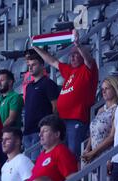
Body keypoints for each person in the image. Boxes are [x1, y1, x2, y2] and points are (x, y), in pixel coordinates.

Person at [33, 30, 99, 158]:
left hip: (77, 119)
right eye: (71, 55)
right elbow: (52, 62)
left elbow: (89, 60)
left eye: (75, 54)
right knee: (61, 155)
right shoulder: (70, 71)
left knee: (73, 154)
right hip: (62, 120)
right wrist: (36, 48)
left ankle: (76, 178)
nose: (72, 57)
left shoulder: (88, 69)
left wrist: (78, 45)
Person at [81, 76, 118, 181]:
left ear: (115, 88)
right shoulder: (100, 110)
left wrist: (94, 153)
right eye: (103, 89)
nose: (104, 92)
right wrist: (87, 149)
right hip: (95, 155)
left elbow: (112, 136)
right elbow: (93, 133)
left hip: (107, 154)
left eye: (107, 88)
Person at [23, 115, 78, 181]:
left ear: (57, 134)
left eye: (45, 131)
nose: (40, 134)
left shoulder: (61, 151)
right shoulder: (42, 154)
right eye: (40, 132)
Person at [23, 50, 60, 161]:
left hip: (40, 132)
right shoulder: (29, 86)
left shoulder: (48, 83)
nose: (30, 68)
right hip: (27, 132)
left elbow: (55, 107)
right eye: (29, 65)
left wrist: (51, 127)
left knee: (37, 164)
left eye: (33, 64)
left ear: (42, 65)